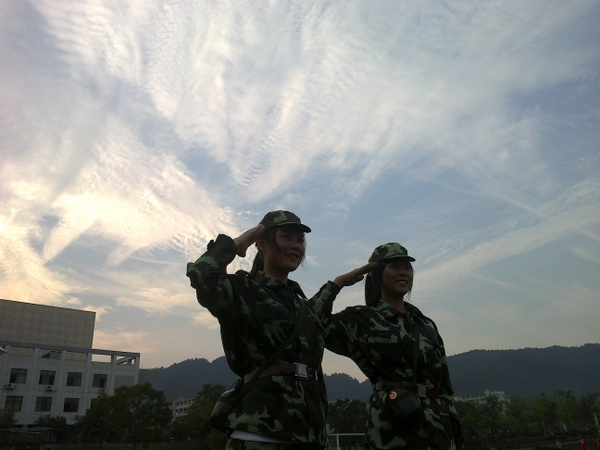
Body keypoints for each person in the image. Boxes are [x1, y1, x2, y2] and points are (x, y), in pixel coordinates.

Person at [186, 210, 369, 450]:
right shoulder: (244, 291)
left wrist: (337, 284)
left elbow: (315, 315)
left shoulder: (300, 306)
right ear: (261, 243)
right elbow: (203, 274)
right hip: (259, 437)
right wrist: (238, 244)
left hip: (309, 437)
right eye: (286, 237)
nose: (295, 246)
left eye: (300, 240)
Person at [313, 242, 465, 450]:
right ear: (376, 276)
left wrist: (457, 438)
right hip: (392, 434)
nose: (403, 272)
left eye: (407, 267)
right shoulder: (362, 321)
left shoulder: (426, 325)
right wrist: (338, 283)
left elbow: (444, 389)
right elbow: (312, 323)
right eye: (394, 267)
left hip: (439, 434)